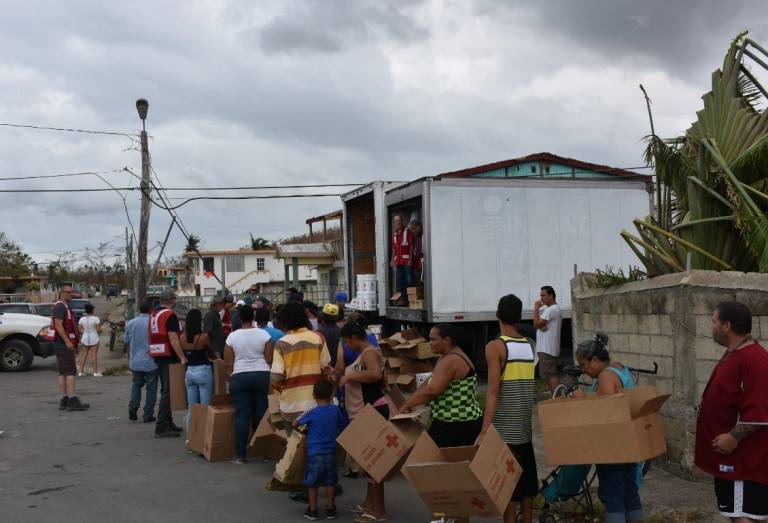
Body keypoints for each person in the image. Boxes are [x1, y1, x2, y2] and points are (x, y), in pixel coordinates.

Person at [694, 302, 768, 522]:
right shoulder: (734, 353)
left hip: (743, 462)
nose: (711, 326)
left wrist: (734, 437)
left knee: (743, 517)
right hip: (730, 462)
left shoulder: (754, 360)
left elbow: (762, 410)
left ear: (727, 326)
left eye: (714, 321)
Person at [573, 332, 643, 523]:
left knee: (612, 495)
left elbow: (608, 412)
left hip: (613, 446)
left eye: (583, 365)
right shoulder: (621, 369)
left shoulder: (605, 376)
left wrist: (583, 399)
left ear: (594, 360)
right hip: (629, 442)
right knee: (630, 493)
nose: (583, 370)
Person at [482, 294, 537, 523]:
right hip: (525, 429)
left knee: (508, 491)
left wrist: (485, 430)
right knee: (526, 488)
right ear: (519, 316)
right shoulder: (529, 345)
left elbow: (493, 390)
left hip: (505, 430)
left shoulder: (496, 347)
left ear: (497, 314)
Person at [332, 320, 389, 523]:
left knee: (374, 463)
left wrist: (349, 377)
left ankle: (378, 511)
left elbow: (375, 374)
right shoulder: (363, 354)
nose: (347, 346)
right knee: (367, 461)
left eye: (347, 342)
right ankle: (370, 503)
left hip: (371, 410)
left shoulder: (370, 352)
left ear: (355, 339)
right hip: (362, 412)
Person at [401, 323, 482, 448]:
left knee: (435, 460)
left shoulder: (452, 359)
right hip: (453, 421)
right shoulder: (446, 357)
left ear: (447, 340)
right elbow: (429, 382)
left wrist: (407, 405)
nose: (430, 343)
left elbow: (432, 391)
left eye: (433, 339)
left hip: (457, 423)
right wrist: (411, 401)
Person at [225, 305, 273, 464]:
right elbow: (269, 359)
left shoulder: (232, 337)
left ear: (239, 318)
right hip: (262, 375)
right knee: (261, 414)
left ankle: (240, 455)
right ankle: (265, 452)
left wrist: (230, 377)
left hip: (240, 376)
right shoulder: (264, 335)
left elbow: (228, 363)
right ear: (253, 318)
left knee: (242, 416)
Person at [270, 301, 331, 422]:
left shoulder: (282, 343)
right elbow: (326, 369)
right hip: (317, 403)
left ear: (285, 320)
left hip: (291, 406)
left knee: (294, 440)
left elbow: (276, 377)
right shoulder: (318, 338)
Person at [295, 380, 346, 520]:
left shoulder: (312, 412)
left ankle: (313, 510)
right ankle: (330, 509)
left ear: (313, 396)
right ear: (330, 396)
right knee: (330, 482)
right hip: (330, 452)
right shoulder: (335, 410)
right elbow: (342, 425)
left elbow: (296, 423)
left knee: (312, 483)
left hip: (314, 454)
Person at [148, 289, 187, 438]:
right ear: (172, 300)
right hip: (169, 355)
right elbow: (173, 339)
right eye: (175, 299)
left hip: (158, 353)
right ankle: (161, 426)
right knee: (167, 391)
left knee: (166, 389)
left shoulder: (154, 314)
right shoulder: (169, 315)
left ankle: (168, 422)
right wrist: (182, 357)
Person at [51, 285, 89, 412]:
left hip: (61, 344)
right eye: (68, 292)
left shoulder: (64, 305)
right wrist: (67, 341)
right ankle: (72, 400)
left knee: (63, 372)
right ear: (61, 293)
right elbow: (58, 325)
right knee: (70, 372)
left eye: (72, 292)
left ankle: (64, 399)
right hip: (63, 344)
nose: (71, 294)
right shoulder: (60, 306)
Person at [181, 308, 218, 436]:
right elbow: (212, 353)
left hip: (189, 372)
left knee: (192, 407)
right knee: (205, 407)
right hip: (203, 371)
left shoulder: (182, 337)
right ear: (198, 322)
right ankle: (204, 439)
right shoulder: (204, 337)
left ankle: (190, 438)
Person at [125, 299, 158, 422]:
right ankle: (148, 414)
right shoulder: (153, 323)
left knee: (136, 385)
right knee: (151, 389)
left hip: (135, 361)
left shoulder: (131, 323)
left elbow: (127, 343)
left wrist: (129, 358)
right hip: (151, 361)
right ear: (151, 310)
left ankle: (133, 407)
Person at [533, 286, 561, 394]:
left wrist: (536, 308)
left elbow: (536, 324)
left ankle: (558, 398)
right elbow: (540, 325)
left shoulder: (552, 309)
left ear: (551, 295)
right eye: (541, 295)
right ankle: (555, 397)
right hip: (546, 348)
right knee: (549, 376)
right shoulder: (549, 309)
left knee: (551, 375)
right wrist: (541, 326)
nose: (541, 298)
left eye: (543, 295)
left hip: (547, 348)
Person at [390, 213, 413, 307]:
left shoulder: (408, 232)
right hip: (398, 262)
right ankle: (404, 300)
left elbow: (411, 246)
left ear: (402, 221)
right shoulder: (395, 234)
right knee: (400, 282)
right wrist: (392, 260)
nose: (397, 222)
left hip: (406, 262)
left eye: (399, 220)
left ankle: (411, 300)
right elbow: (394, 249)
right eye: (396, 221)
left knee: (409, 281)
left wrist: (410, 259)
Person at [77, 302, 102, 377]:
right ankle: (95, 372)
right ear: (92, 310)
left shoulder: (81, 319)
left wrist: (85, 331)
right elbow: (98, 330)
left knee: (84, 355)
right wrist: (102, 329)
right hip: (94, 338)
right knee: (94, 355)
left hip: (85, 338)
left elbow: (80, 330)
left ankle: (80, 372)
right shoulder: (96, 319)